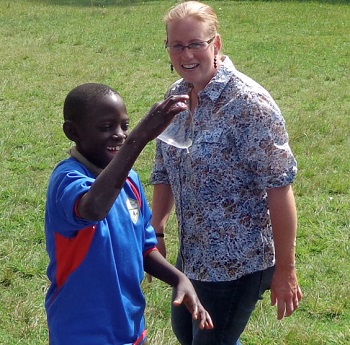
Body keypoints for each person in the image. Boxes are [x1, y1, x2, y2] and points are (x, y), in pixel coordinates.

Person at [150, 2, 303, 345]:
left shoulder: (248, 104)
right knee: (185, 334)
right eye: (176, 45)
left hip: (238, 264)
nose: (185, 53)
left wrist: (286, 270)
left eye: (195, 44)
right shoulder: (176, 96)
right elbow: (164, 169)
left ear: (216, 44)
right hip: (193, 254)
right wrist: (156, 228)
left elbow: (280, 188)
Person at [44, 82, 213, 345]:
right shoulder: (67, 179)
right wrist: (139, 138)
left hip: (130, 327)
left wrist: (180, 278)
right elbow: (93, 208)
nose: (120, 134)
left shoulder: (130, 180)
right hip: (80, 331)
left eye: (125, 126)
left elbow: (144, 247)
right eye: (105, 127)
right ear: (72, 131)